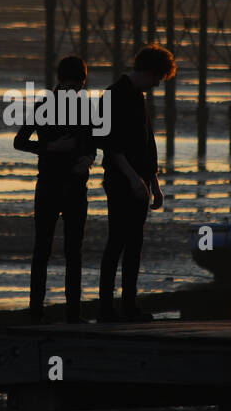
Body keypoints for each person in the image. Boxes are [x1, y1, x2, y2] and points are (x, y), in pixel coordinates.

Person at [14, 56, 97, 324]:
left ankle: (54, 313)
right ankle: (49, 313)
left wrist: (89, 159)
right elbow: (20, 141)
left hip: (61, 185)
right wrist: (52, 148)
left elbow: (92, 144)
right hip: (58, 185)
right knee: (61, 251)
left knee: (54, 250)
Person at [98, 44, 176, 322]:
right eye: (158, 78)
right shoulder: (114, 95)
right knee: (116, 243)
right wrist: (133, 179)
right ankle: (106, 309)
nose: (158, 84)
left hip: (139, 181)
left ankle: (129, 306)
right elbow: (110, 145)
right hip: (120, 181)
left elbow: (146, 144)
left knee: (135, 245)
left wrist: (153, 182)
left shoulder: (138, 97)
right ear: (150, 72)